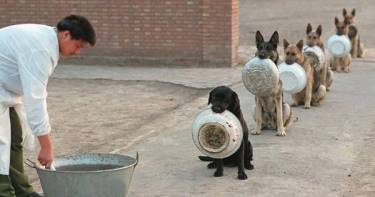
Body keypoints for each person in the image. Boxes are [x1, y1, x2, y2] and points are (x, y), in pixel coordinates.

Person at [0, 15, 96, 197]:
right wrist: (46, 146)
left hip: (4, 92)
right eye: (78, 46)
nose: (77, 52)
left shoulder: (45, 39)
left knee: (13, 137)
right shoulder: (40, 49)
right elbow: (35, 99)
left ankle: (22, 191)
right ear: (66, 35)